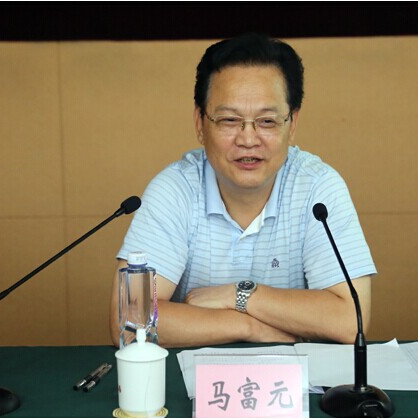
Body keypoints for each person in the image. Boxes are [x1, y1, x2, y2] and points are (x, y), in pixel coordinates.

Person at [110, 33, 375, 348]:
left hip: (295, 379)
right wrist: (248, 326)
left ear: (292, 124)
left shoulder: (318, 187)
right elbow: (130, 321)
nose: (248, 139)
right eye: (229, 120)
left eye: (267, 121)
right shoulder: (175, 190)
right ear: (200, 122)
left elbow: (350, 320)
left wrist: (241, 294)